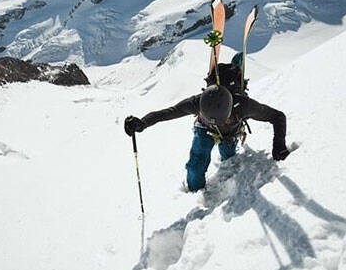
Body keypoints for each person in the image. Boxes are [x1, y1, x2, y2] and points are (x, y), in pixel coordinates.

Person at [124, 54, 289, 192]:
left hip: (230, 133)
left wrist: (279, 147)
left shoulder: (244, 105)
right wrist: (141, 123)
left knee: (229, 155)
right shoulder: (197, 102)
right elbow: (168, 113)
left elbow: (278, 117)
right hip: (205, 130)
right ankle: (194, 194)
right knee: (195, 166)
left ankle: (235, 66)